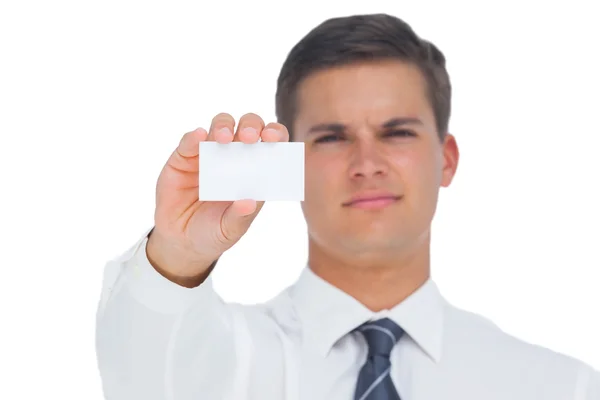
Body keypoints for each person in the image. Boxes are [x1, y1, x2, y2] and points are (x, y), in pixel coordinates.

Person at [95, 13, 600, 400]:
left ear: (445, 161)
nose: (367, 163)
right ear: (290, 163)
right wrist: (178, 256)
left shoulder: (558, 388)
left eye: (396, 132)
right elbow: (140, 368)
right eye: (333, 137)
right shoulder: (225, 363)